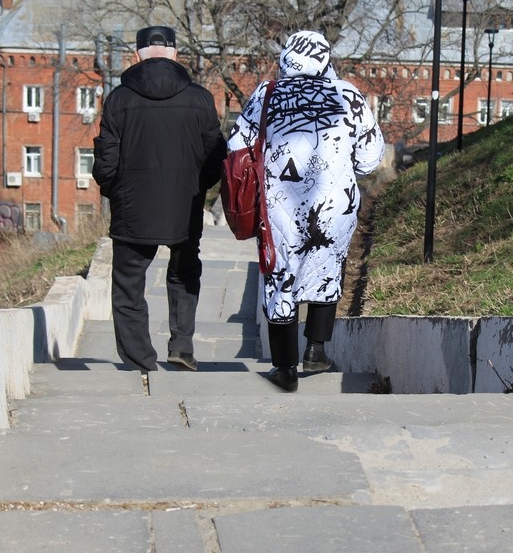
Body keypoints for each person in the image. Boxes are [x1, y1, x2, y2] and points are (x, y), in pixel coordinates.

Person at [227, 30, 385, 392]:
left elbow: (237, 146)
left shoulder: (266, 94)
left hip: (279, 204)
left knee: (280, 276)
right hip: (335, 202)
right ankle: (316, 349)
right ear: (325, 60)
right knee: (327, 265)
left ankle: (285, 369)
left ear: (287, 58)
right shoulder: (347, 94)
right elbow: (371, 158)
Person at [92, 25, 226, 373]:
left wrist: (116, 193)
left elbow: (106, 162)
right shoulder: (199, 99)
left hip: (133, 207)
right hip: (185, 205)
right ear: (175, 53)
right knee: (184, 274)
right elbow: (216, 157)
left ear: (137, 55)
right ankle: (181, 346)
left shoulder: (119, 99)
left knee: (128, 284)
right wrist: (196, 187)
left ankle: (140, 359)